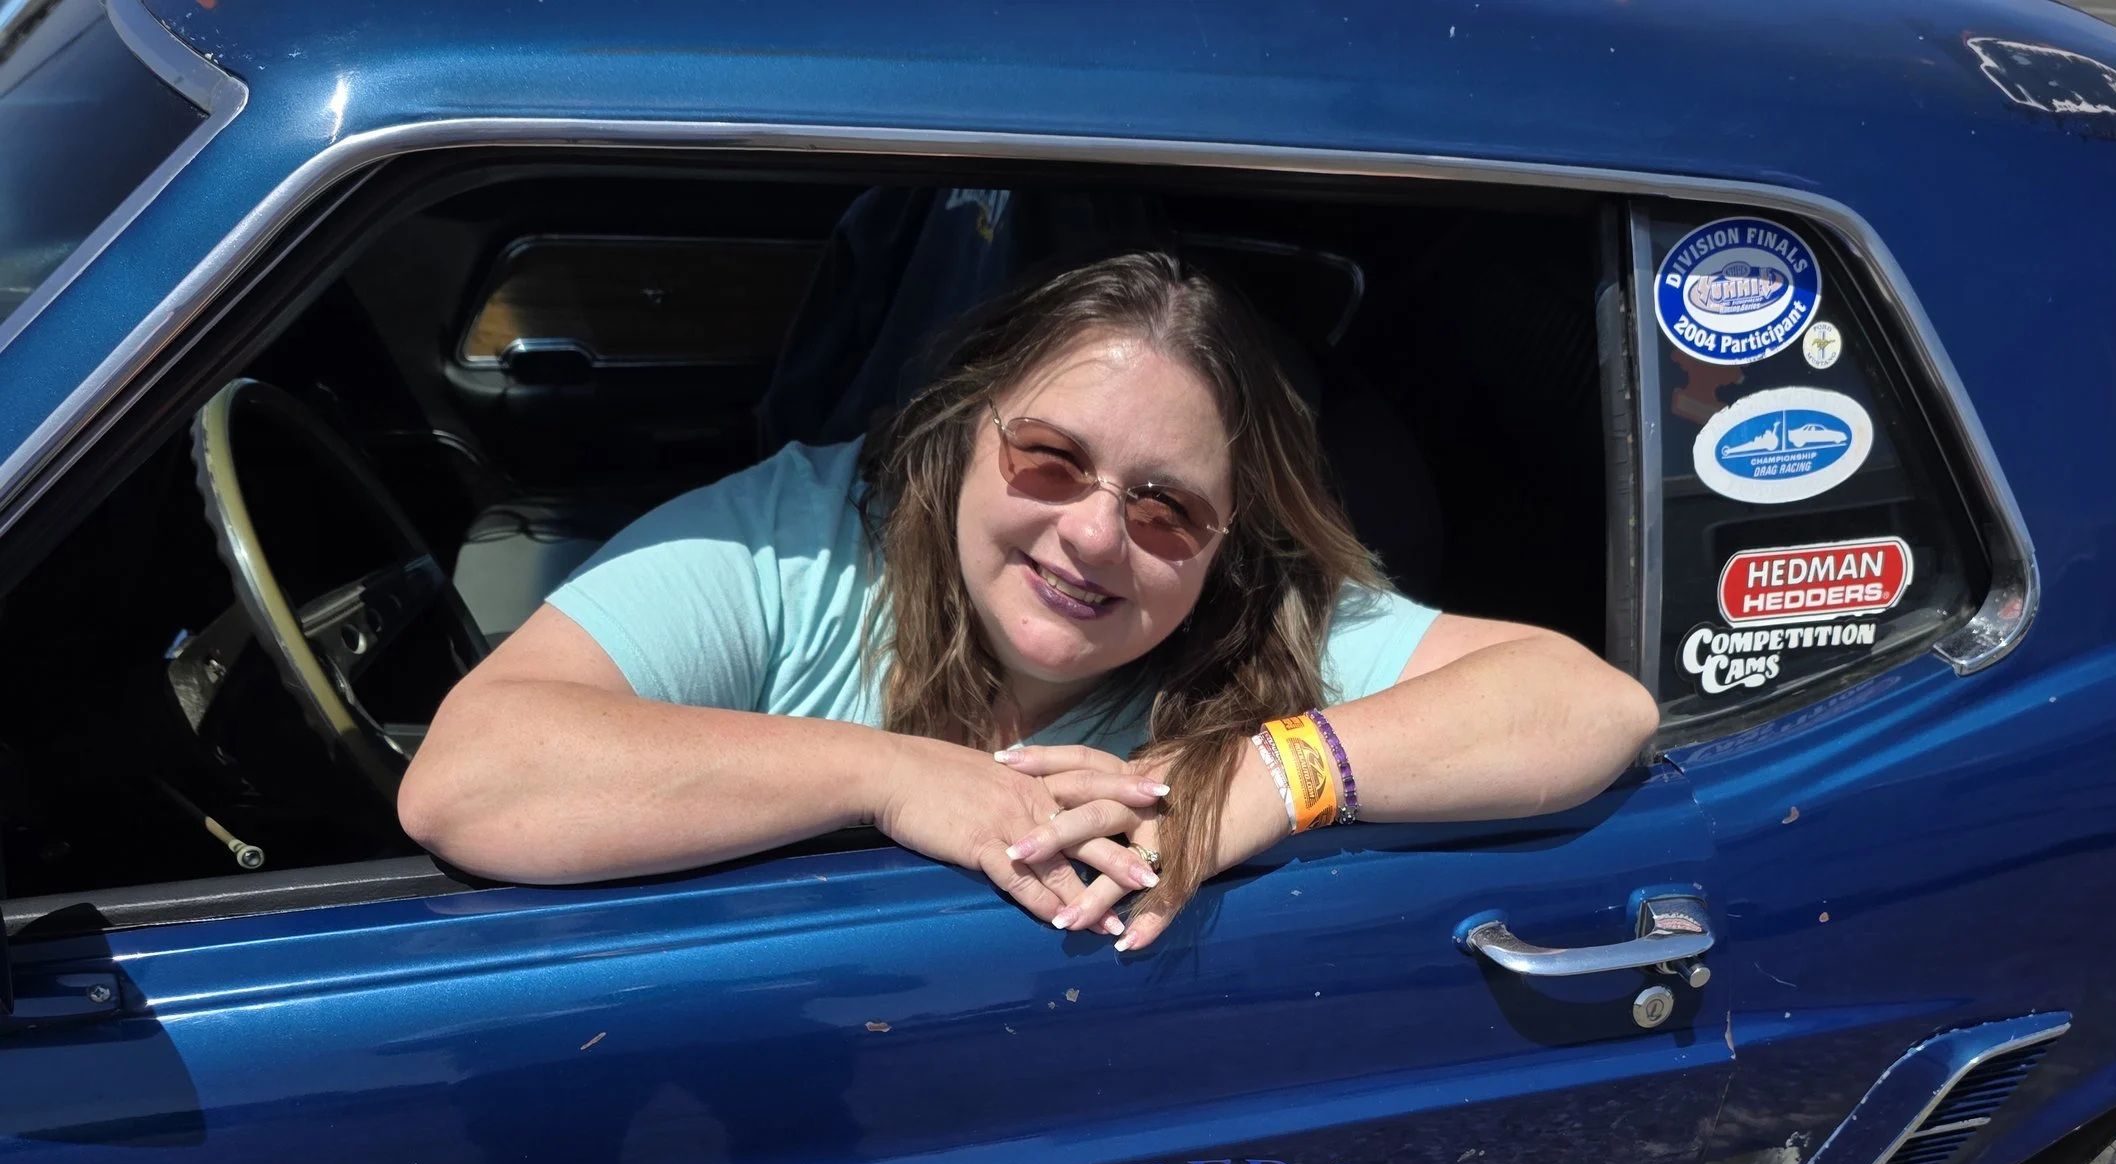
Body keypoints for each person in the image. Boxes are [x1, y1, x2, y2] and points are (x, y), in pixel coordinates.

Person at [398, 251, 1657, 952]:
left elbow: (1585, 704)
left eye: (1167, 508)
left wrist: (1267, 779)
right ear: (960, 435)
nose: (1095, 534)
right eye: (1047, 460)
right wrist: (890, 777)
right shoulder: (802, 540)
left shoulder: (1264, 613)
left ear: (1228, 541)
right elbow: (474, 777)